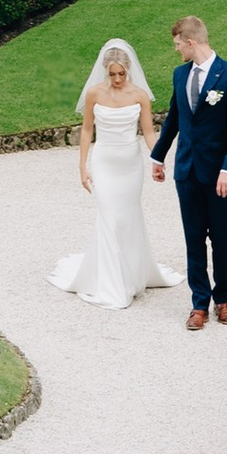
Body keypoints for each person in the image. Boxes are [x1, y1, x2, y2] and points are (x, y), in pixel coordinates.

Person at [51, 40, 176, 308]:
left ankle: (130, 273)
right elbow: (86, 130)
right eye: (112, 74)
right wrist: (82, 166)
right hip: (104, 162)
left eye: (122, 73)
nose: (117, 79)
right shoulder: (94, 94)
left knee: (127, 217)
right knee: (108, 216)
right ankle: (112, 285)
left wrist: (158, 157)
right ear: (105, 71)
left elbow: (149, 132)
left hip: (130, 164)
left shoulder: (140, 95)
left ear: (128, 70)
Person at [152, 12, 227, 329]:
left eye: (179, 45)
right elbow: (175, 119)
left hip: (220, 175)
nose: (177, 50)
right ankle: (199, 304)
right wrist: (158, 157)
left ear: (192, 42)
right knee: (193, 239)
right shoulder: (180, 75)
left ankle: (223, 300)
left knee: (220, 239)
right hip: (187, 172)